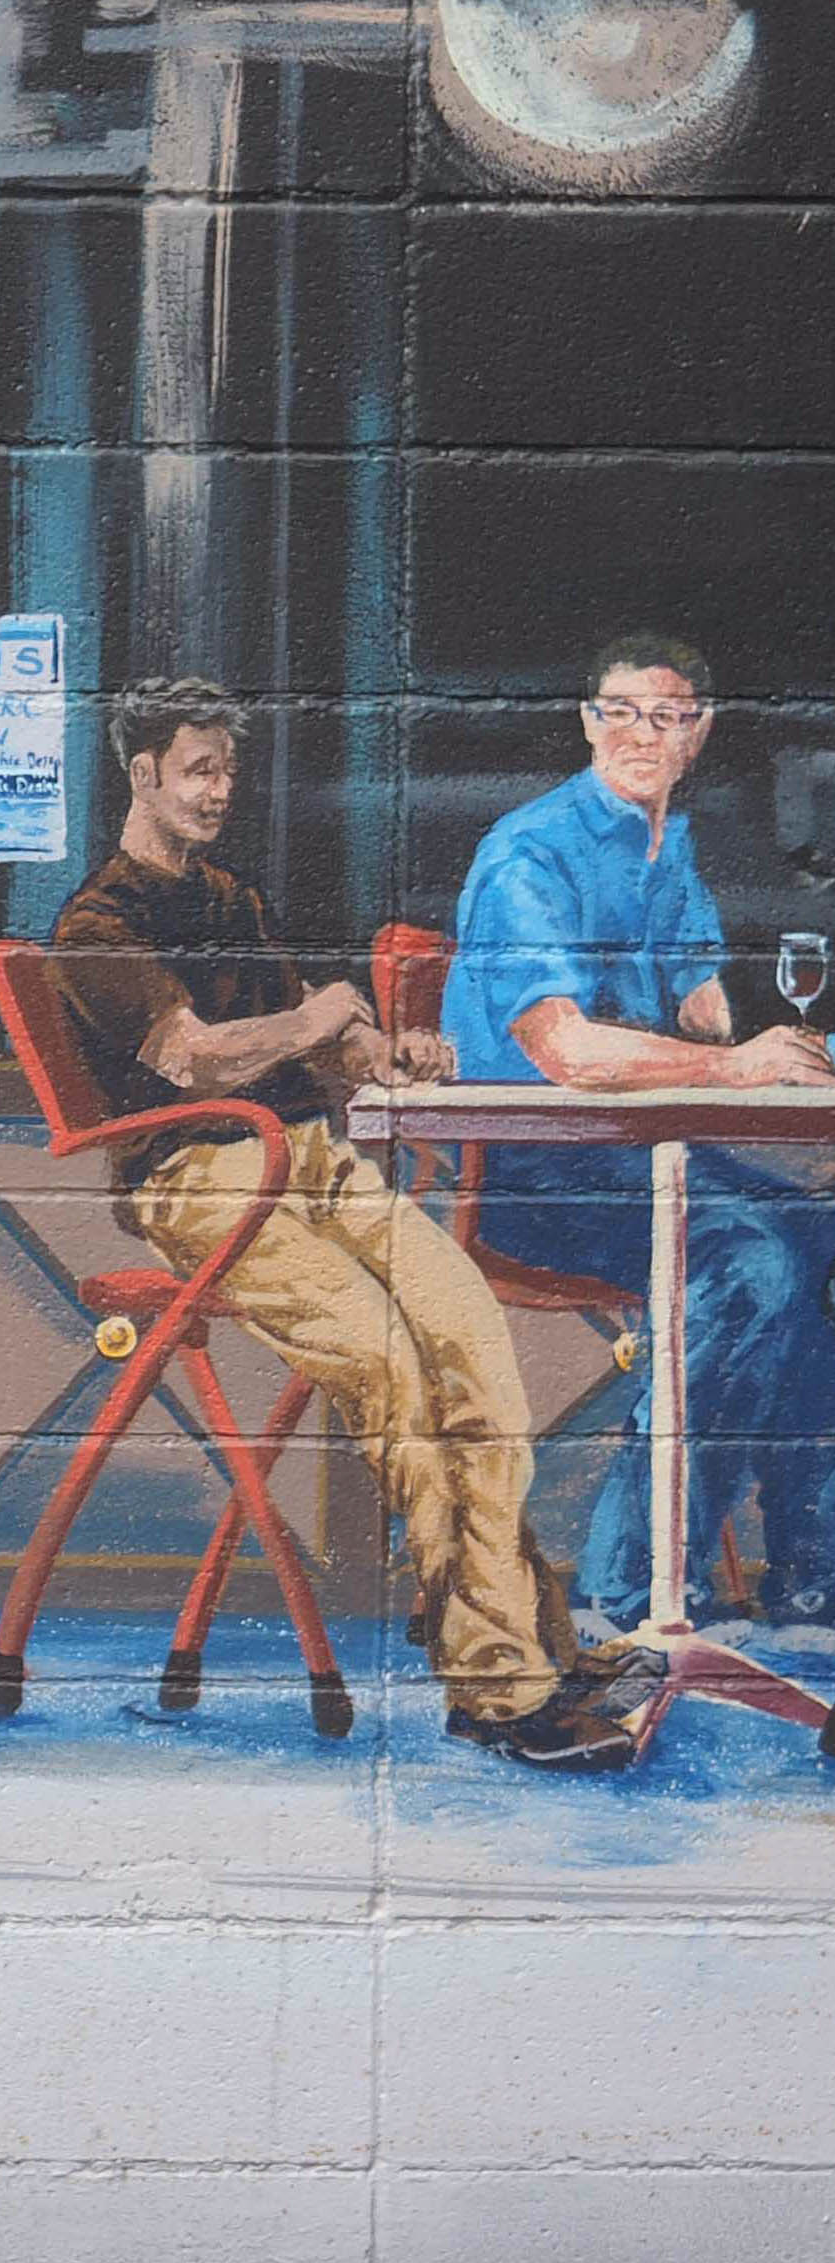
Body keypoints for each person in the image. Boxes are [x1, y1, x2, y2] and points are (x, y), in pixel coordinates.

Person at [50, 679, 640, 1769]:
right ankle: (497, 1681)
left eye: (228, 770)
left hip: (307, 1158)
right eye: (198, 770)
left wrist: (376, 1052)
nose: (219, 790)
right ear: (142, 776)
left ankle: (529, 1639)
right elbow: (190, 1056)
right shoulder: (97, 925)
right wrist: (317, 1014)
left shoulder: (229, 899)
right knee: (388, 1368)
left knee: (468, 1337)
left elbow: (309, 1048)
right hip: (197, 1177)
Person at [448, 633, 835, 1626]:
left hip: (644, 1153)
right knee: (751, 1265)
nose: (637, 734)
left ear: (696, 734)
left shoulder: (671, 851)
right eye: (617, 712)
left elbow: (702, 1017)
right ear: (587, 721)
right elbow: (566, 1051)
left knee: (819, 1239)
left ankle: (810, 1565)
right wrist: (737, 1063)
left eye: (662, 716)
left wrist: (774, 1050)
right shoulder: (528, 854)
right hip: (536, 1172)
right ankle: (629, 1585)